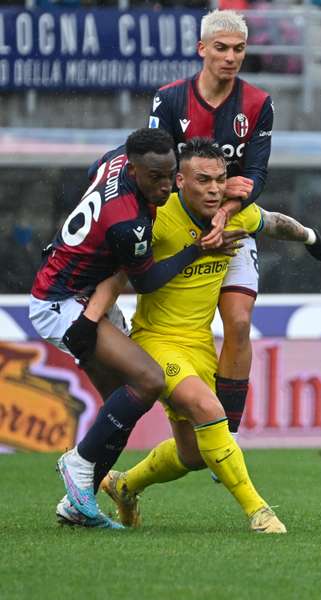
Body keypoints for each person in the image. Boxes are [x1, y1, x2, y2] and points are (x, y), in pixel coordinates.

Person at [99, 138, 321, 534]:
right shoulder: (156, 216)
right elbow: (115, 270)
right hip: (157, 341)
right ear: (180, 180)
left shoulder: (233, 215)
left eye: (221, 179)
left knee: (193, 454)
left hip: (200, 345)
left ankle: (123, 486)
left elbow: (272, 222)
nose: (215, 188)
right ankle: (260, 513)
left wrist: (309, 236)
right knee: (207, 408)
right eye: (203, 180)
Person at [29, 128, 239, 528]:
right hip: (61, 299)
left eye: (170, 175)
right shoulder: (129, 223)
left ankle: (77, 505)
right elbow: (145, 281)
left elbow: (94, 172)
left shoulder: (115, 160)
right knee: (148, 380)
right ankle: (79, 463)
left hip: (84, 292)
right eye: (155, 178)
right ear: (137, 169)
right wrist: (197, 250)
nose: (164, 186)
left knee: (120, 402)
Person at [149, 10, 299, 451]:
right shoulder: (170, 100)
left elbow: (255, 174)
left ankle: (229, 432)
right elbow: (156, 168)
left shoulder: (258, 104)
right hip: (177, 229)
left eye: (238, 49)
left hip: (232, 227)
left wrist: (228, 208)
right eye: (221, 48)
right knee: (173, 329)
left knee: (237, 321)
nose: (230, 57)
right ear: (202, 49)